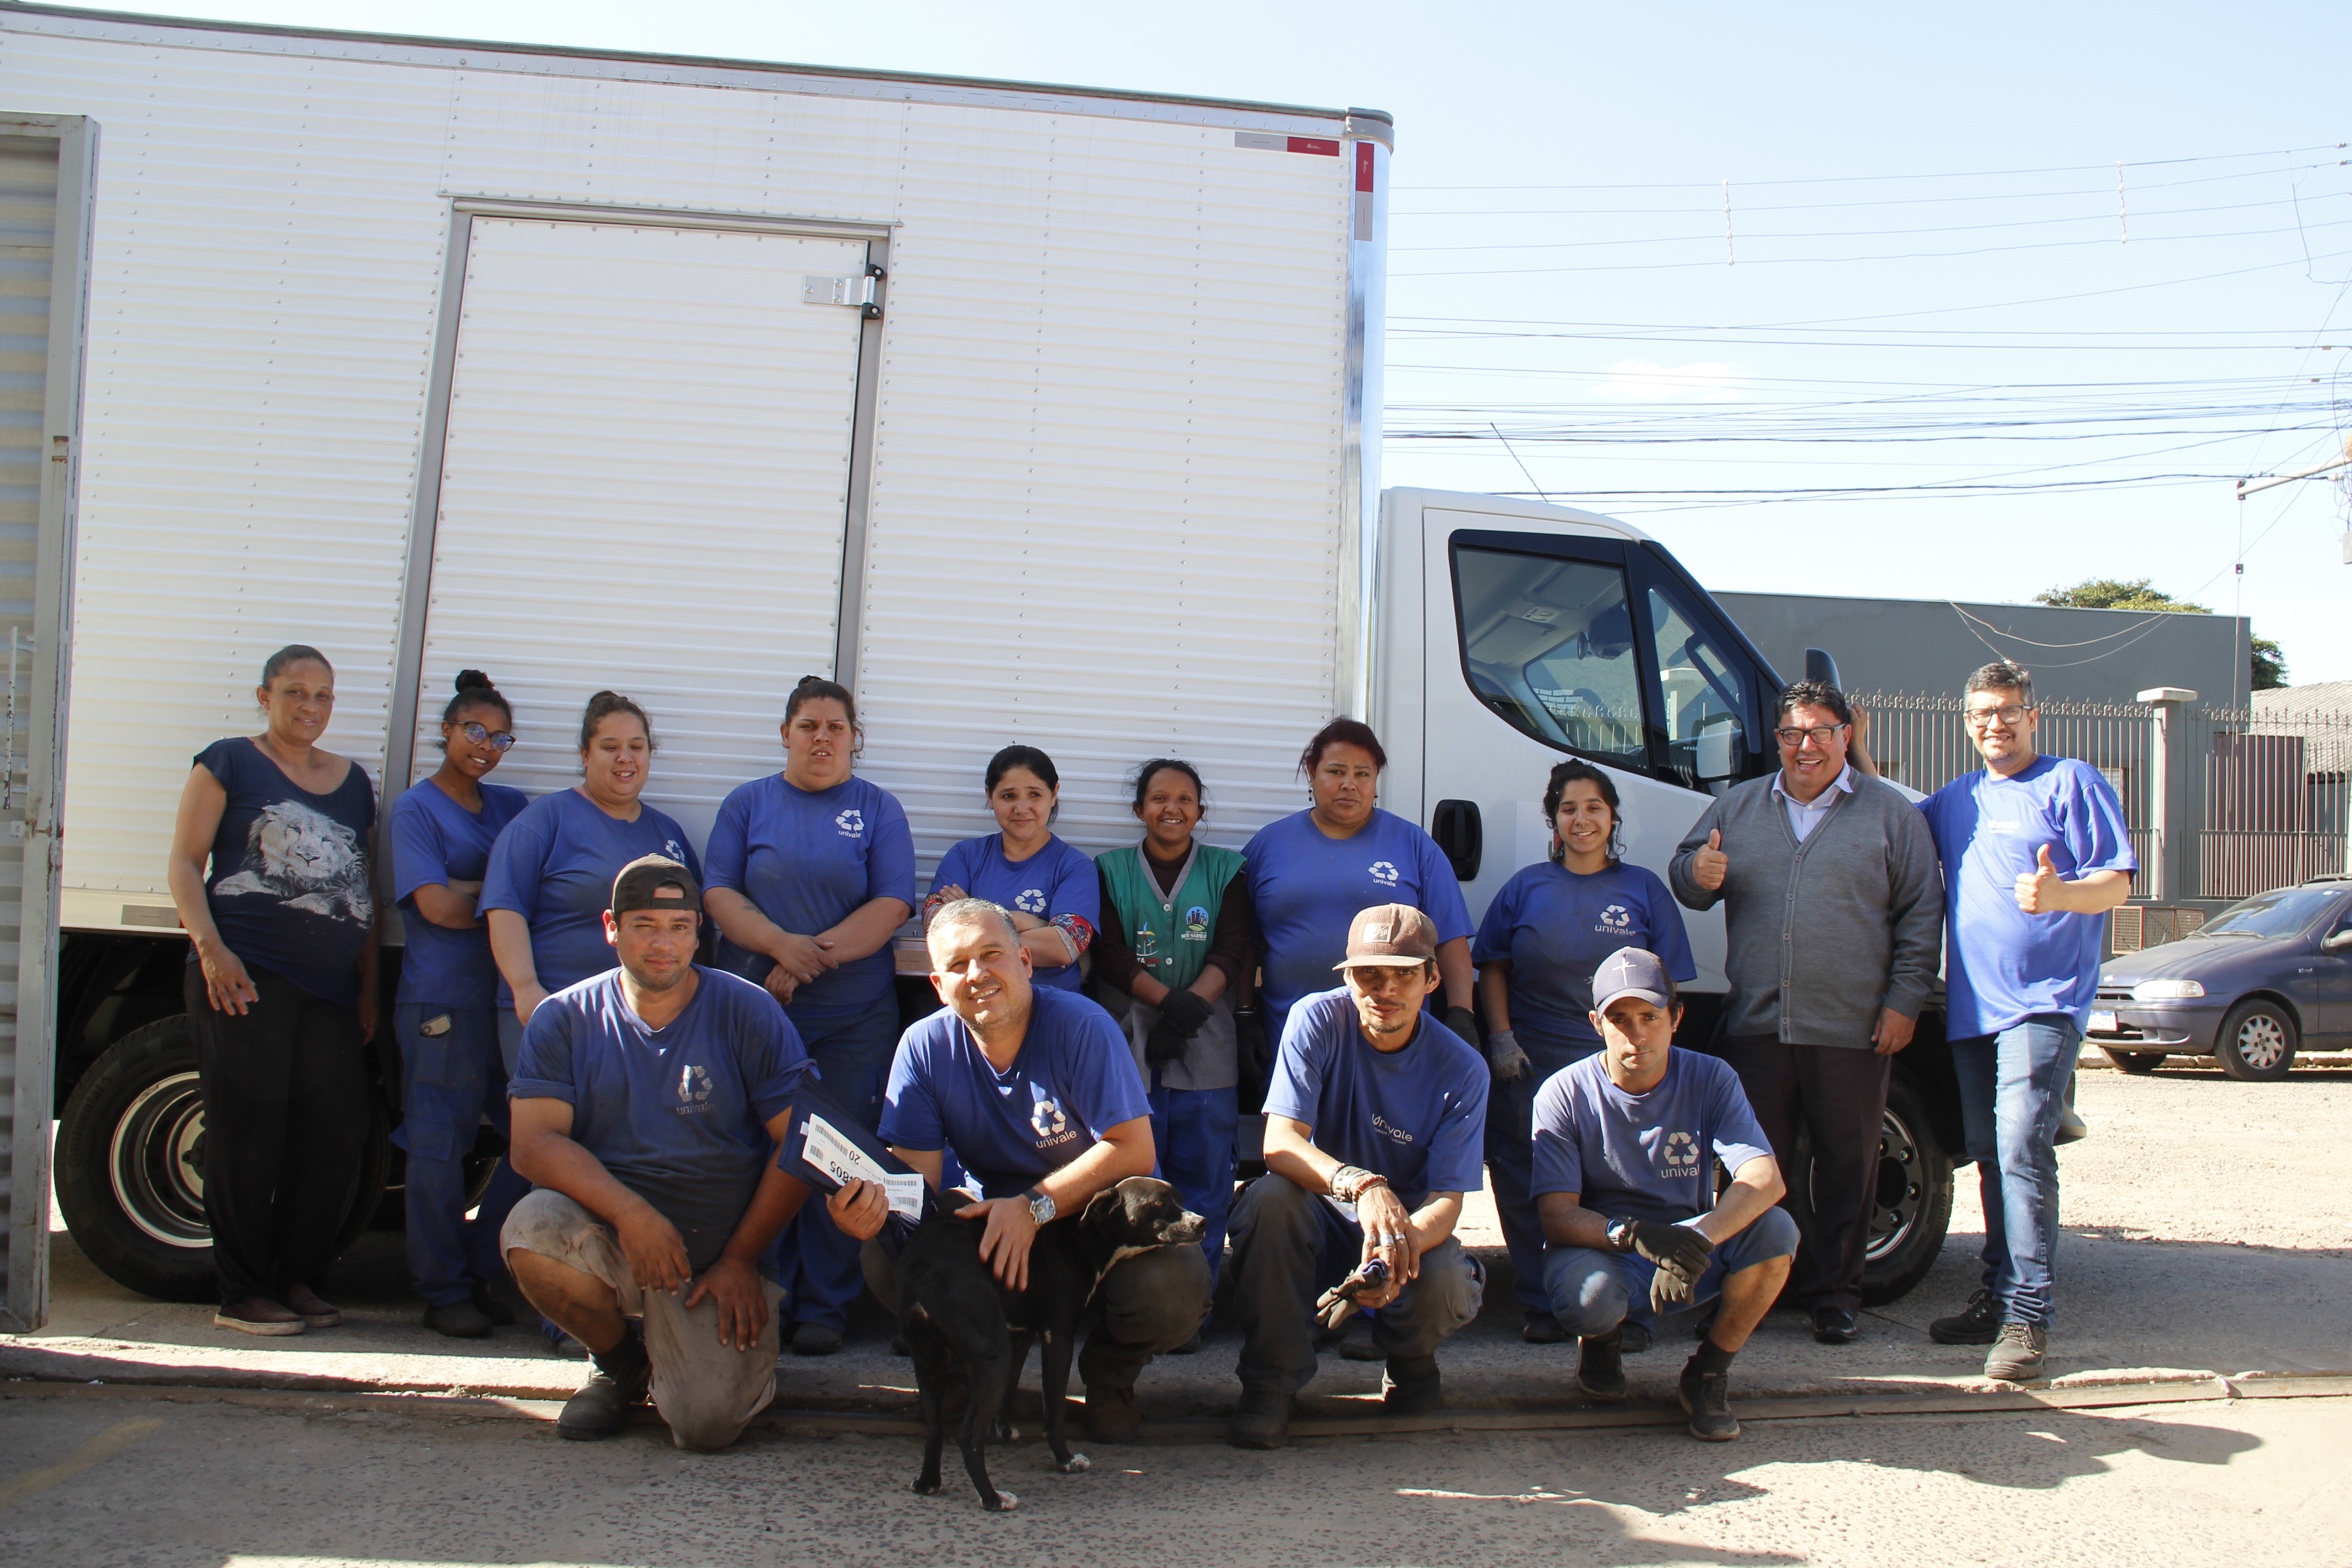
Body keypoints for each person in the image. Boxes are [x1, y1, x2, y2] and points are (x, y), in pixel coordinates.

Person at [503, 855, 863, 1450]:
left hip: (718, 1258)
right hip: (622, 1240)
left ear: (699, 930)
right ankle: (620, 1364)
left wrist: (742, 1259)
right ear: (611, 928)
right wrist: (632, 1215)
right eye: (643, 925)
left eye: (678, 927)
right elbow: (533, 1145)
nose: (663, 944)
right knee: (532, 1227)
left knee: (706, 1427)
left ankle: (704, 1354)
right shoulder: (562, 1018)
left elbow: (803, 1142)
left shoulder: (748, 1010)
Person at [834, 897, 1212, 1444]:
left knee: (1173, 1287)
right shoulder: (923, 1046)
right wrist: (874, 1208)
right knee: (891, 1249)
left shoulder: (1083, 1026)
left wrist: (1036, 1207)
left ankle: (1108, 1378)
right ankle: (971, 1368)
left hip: (1085, 1221)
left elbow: (1133, 1150)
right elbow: (916, 1184)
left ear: (1026, 962)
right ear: (939, 987)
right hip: (990, 1220)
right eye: (959, 965)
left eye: (993, 955)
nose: (978, 974)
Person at [1669, 680, 1941, 1346]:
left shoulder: (1889, 814)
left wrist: (1905, 1003)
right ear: (1778, 739)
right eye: (1793, 733)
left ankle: (1836, 1295)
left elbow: (1921, 914)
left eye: (1822, 732)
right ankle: (1748, 1289)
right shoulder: (1739, 805)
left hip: (1853, 1029)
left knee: (1849, 1167)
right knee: (1754, 1170)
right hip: (1758, 1025)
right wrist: (1695, 873)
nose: (1807, 746)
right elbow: (1684, 872)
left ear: (1847, 736)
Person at [1883, 662, 2133, 1382]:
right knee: (1992, 1156)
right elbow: (1893, 815)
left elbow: (2116, 882)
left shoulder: (2073, 782)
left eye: (2009, 710)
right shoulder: (1955, 801)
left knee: (2024, 1150)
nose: (1997, 722)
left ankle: (2029, 1315)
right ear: (1967, 722)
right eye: (1983, 713)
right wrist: (1858, 749)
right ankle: (1995, 1298)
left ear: (2032, 715)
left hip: (2045, 1004)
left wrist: (2061, 892)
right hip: (1972, 1011)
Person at [165, 644, 380, 1336]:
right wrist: (210, 950)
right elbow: (184, 861)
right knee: (248, 1134)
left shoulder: (353, 783)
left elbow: (360, 889)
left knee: (334, 1136)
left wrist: (368, 986)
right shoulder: (228, 761)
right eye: (295, 693)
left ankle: (297, 1278)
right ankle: (243, 1293)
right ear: (266, 697)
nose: (309, 707)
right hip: (247, 976)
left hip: (331, 990)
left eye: (322, 696)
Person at [702, 675, 917, 1357]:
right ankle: (761, 1289)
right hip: (756, 1013)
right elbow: (717, 894)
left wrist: (806, 960)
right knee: (759, 1151)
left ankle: (824, 1304)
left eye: (835, 727)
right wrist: (776, 948)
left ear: (855, 738)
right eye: (808, 726)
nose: (822, 738)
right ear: (786, 734)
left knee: (836, 1153)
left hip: (854, 1017)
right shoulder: (748, 803)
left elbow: (891, 906)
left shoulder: (878, 809)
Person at [1226, 905, 1489, 1450]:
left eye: (1404, 975)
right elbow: (1279, 1144)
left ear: (1433, 979)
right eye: (1369, 974)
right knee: (1268, 1201)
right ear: (1347, 977)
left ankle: (1410, 1358)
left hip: (1406, 1236)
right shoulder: (1316, 1020)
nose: (1385, 990)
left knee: (1446, 1279)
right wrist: (1363, 1186)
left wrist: (1392, 1253)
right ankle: (1271, 1384)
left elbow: (1447, 1201)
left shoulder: (1463, 1068)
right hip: (1317, 1219)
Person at [1531, 947, 1798, 1442]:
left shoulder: (1712, 1078)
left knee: (1778, 1232)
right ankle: (1602, 1342)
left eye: (1650, 1017)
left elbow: (1766, 1178)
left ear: (1676, 1018)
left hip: (1690, 1250)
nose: (1637, 1034)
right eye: (1620, 1018)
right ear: (1596, 1023)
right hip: (1608, 1250)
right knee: (1587, 1299)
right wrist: (1634, 1236)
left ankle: (1709, 1373)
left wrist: (1694, 1241)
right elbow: (1556, 1215)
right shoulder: (1563, 1093)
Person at [1475, 760, 1695, 1346]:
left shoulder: (1644, 889)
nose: (1582, 820)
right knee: (1527, 1184)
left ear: (1614, 817)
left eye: (1594, 808)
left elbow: (1668, 983)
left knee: (1626, 1183)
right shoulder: (1525, 887)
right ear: (1553, 821)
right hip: (1531, 1060)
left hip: (1618, 1064)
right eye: (1569, 809)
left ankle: (1633, 1311)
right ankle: (1542, 1304)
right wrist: (1501, 1038)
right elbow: (1492, 966)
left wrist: (1653, 1052)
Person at [385, 670, 533, 1338]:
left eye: (500, 737)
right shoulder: (417, 809)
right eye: (475, 731)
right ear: (446, 730)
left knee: (534, 1142)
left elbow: (529, 889)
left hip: (507, 1001)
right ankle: (442, 1290)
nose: (486, 746)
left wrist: (479, 889)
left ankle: (482, 1264)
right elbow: (436, 905)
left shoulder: (513, 807)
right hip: (441, 1005)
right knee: (438, 1151)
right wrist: (501, 899)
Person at [1090, 759, 1255, 1302]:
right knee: (1138, 1183)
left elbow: (1233, 948)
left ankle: (1195, 1307)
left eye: (1185, 800)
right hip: (1131, 1036)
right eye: (1159, 799)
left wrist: (1187, 1012)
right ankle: (1137, 1304)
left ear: (1200, 811)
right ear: (1139, 809)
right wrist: (1165, 1003)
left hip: (1205, 1037)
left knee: (1205, 1182)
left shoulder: (1227, 870)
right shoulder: (1109, 870)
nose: (1172, 809)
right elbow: (1108, 951)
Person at [481, 691, 701, 1068]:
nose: (625, 758)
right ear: (585, 754)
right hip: (553, 1016)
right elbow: (504, 907)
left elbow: (694, 926)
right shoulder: (545, 821)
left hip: (645, 1026)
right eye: (609, 747)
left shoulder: (669, 834)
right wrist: (526, 989)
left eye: (637, 746)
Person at [1243, 720, 1476, 1052]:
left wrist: (1461, 1014)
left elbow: (1451, 938)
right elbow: (1244, 943)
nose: (1349, 784)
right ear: (1312, 773)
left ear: (1376, 780)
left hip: (1392, 1043)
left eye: (1363, 774)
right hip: (1290, 1040)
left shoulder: (1413, 845)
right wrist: (1244, 1014)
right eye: (1336, 772)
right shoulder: (1269, 845)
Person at [924, 745, 1098, 992]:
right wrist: (1030, 924)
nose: (1021, 808)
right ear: (990, 796)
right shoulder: (964, 856)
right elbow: (937, 925)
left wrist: (970, 921)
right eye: (1009, 796)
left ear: (1054, 793)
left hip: (1053, 1006)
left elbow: (1064, 947)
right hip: (978, 999)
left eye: (1035, 795)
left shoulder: (1076, 867)